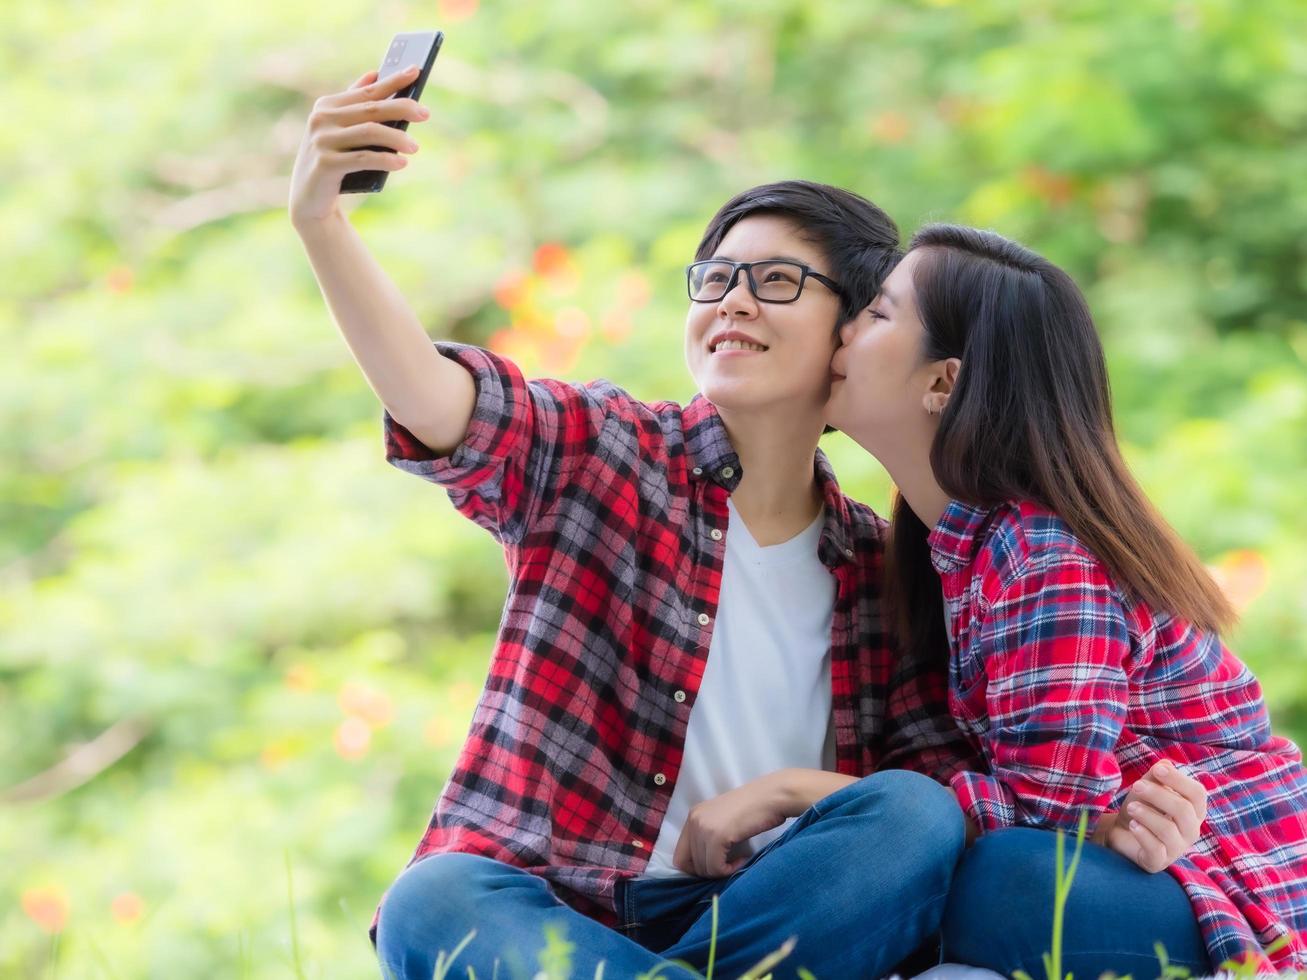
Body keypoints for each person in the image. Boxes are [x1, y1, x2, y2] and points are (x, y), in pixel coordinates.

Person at [289, 68, 1206, 979]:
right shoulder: (603, 454)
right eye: (714, 277)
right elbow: (439, 398)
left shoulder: (891, 569)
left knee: (912, 817)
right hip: (555, 902)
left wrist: (1103, 817)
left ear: (853, 334)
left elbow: (943, 806)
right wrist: (322, 224)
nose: (731, 299)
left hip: (774, 912)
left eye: (774, 281)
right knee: (435, 897)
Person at [824, 223, 1307, 976]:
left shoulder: (1041, 551)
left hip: (1226, 871)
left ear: (943, 382)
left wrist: (804, 796)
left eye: (877, 313)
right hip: (1131, 865)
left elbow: (1047, 808)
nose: (842, 326)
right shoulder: (942, 549)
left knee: (1004, 882)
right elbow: (1047, 806)